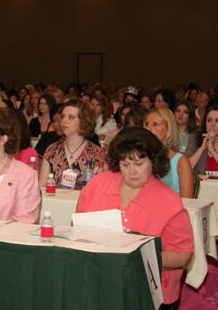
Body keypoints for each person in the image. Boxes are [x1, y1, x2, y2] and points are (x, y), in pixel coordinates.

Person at [76, 127, 193, 306]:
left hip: (147, 289)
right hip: (98, 280)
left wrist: (139, 256)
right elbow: (76, 231)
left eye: (139, 164)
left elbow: (182, 255)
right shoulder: (97, 185)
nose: (132, 172)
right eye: (125, 164)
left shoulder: (169, 201)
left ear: (153, 161)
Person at [39, 100, 106, 190]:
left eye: (71, 117)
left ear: (83, 121)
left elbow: (102, 191)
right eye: (63, 117)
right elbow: (41, 188)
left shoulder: (96, 153)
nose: (64, 121)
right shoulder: (52, 150)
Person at [144, 108, 194, 198]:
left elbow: (188, 203)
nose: (148, 129)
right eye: (147, 124)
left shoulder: (181, 162)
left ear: (168, 129)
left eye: (155, 124)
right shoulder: (141, 159)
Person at [185, 104, 218, 174]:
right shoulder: (195, 137)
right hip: (201, 184)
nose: (212, 124)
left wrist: (212, 151)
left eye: (217, 121)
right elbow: (185, 168)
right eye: (209, 120)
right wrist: (201, 149)